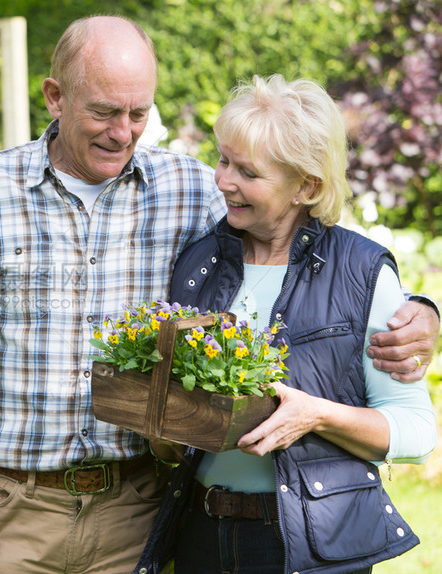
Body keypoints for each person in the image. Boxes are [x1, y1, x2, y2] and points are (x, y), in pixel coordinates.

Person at [0, 16, 439, 574]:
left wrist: (420, 310)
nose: (123, 132)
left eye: (139, 114)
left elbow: (310, 246)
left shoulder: (189, 188)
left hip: (136, 513)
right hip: (9, 514)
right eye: (104, 112)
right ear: (55, 98)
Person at [135, 75, 437, 574]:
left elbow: (417, 432)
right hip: (201, 537)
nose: (224, 180)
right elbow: (177, 435)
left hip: (310, 543)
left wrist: (315, 415)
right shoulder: (198, 263)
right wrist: (162, 425)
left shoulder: (361, 271)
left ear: (306, 186)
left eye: (247, 172)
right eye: (223, 159)